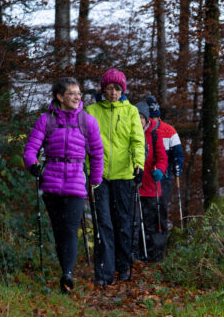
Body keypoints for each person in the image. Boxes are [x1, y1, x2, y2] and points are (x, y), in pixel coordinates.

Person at [23, 78, 103, 293]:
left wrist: (95, 179)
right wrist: (33, 165)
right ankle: (65, 269)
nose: (78, 97)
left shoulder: (88, 122)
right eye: (72, 94)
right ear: (60, 97)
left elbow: (96, 153)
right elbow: (31, 149)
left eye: (79, 93)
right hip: (51, 184)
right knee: (59, 230)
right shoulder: (46, 120)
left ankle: (67, 275)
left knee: (69, 229)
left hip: (76, 183)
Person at [85, 68, 145, 285]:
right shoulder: (91, 111)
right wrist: (86, 169)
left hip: (124, 175)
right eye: (110, 88)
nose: (113, 92)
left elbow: (138, 141)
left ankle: (124, 266)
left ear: (123, 90)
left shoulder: (130, 111)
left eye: (117, 88)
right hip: (99, 177)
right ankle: (105, 273)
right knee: (104, 224)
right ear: (103, 89)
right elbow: (83, 142)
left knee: (123, 223)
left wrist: (139, 165)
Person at [143, 95, 184, 231]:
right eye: (151, 118)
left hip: (164, 178)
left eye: (156, 117)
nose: (153, 121)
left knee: (161, 210)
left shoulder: (168, 130)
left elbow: (177, 152)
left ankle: (161, 240)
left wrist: (178, 165)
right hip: (146, 179)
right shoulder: (142, 131)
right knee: (147, 212)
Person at [135, 101, 168, 261]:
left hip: (151, 187)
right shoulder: (129, 134)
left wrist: (160, 170)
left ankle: (155, 255)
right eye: (137, 117)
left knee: (153, 224)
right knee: (135, 224)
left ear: (147, 119)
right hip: (133, 187)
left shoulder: (154, 135)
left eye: (142, 117)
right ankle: (138, 255)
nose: (139, 120)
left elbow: (162, 158)